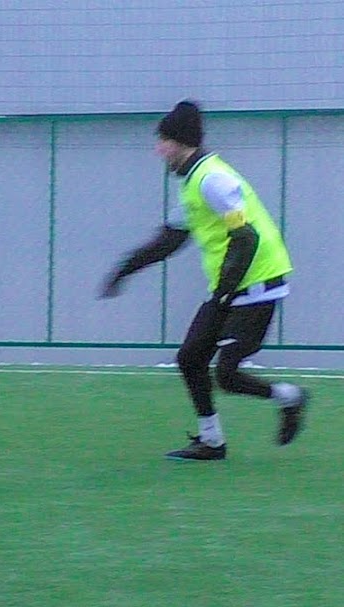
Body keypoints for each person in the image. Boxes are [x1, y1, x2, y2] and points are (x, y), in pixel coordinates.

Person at [99, 99, 308, 461]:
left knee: (227, 374)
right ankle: (212, 442)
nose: (157, 149)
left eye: (162, 141)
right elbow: (168, 241)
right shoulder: (192, 184)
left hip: (259, 282)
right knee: (190, 358)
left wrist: (224, 293)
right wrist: (124, 270)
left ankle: (291, 398)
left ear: (180, 142)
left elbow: (246, 238)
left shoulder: (214, 180)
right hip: (230, 287)